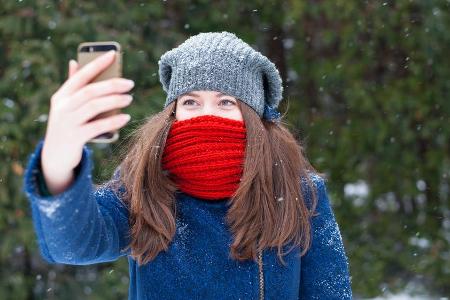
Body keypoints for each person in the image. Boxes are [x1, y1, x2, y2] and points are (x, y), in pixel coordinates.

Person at [22, 31, 352, 299]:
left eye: (225, 102)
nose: (206, 115)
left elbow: (330, 293)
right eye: (191, 101)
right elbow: (73, 243)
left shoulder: (300, 192)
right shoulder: (144, 185)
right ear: (173, 112)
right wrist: (59, 156)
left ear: (253, 116)